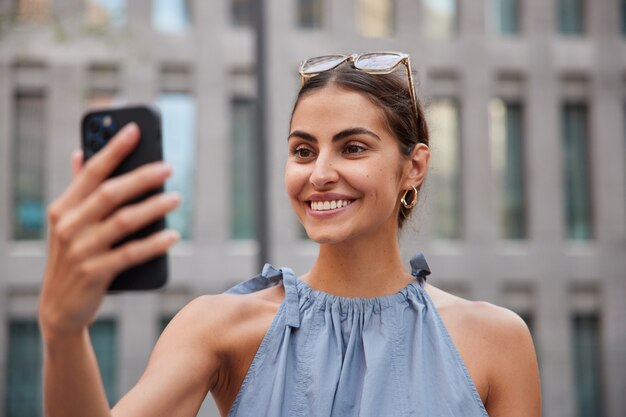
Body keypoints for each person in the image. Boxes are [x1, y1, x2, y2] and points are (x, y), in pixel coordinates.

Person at [39, 52, 541, 417]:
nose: (319, 172)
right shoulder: (219, 327)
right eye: (303, 151)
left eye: (353, 148)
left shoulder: (497, 341)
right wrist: (63, 334)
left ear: (415, 166)